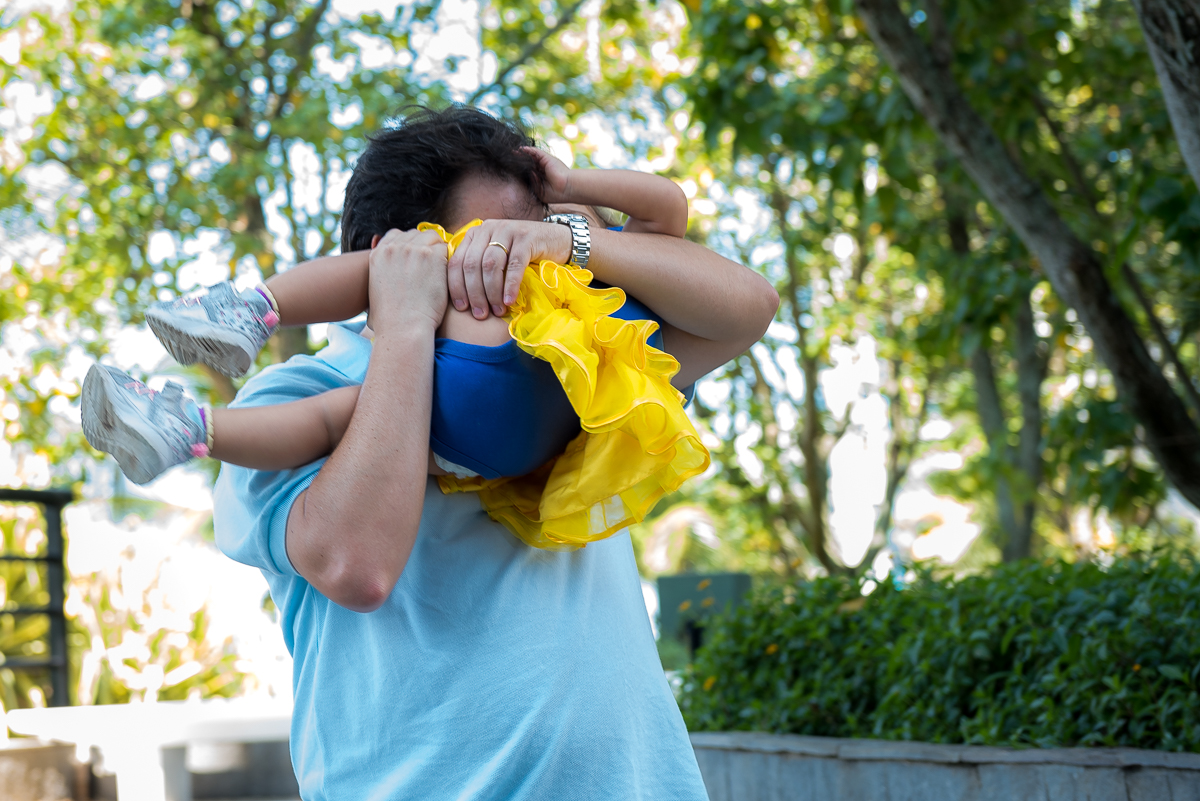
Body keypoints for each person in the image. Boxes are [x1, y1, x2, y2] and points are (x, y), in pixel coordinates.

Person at [210, 106, 777, 798]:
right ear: (384, 254)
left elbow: (745, 306)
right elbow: (356, 566)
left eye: (529, 244)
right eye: (491, 252)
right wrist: (407, 327)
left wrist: (570, 242)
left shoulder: (570, 368)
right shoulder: (294, 397)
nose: (522, 274)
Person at [80, 148, 688, 487]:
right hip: (510, 454)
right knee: (333, 415)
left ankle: (247, 322)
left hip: (483, 390)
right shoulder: (649, 324)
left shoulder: (564, 268)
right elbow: (668, 208)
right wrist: (570, 199)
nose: (513, 238)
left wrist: (567, 189)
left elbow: (668, 208)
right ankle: (189, 428)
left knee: (414, 262)